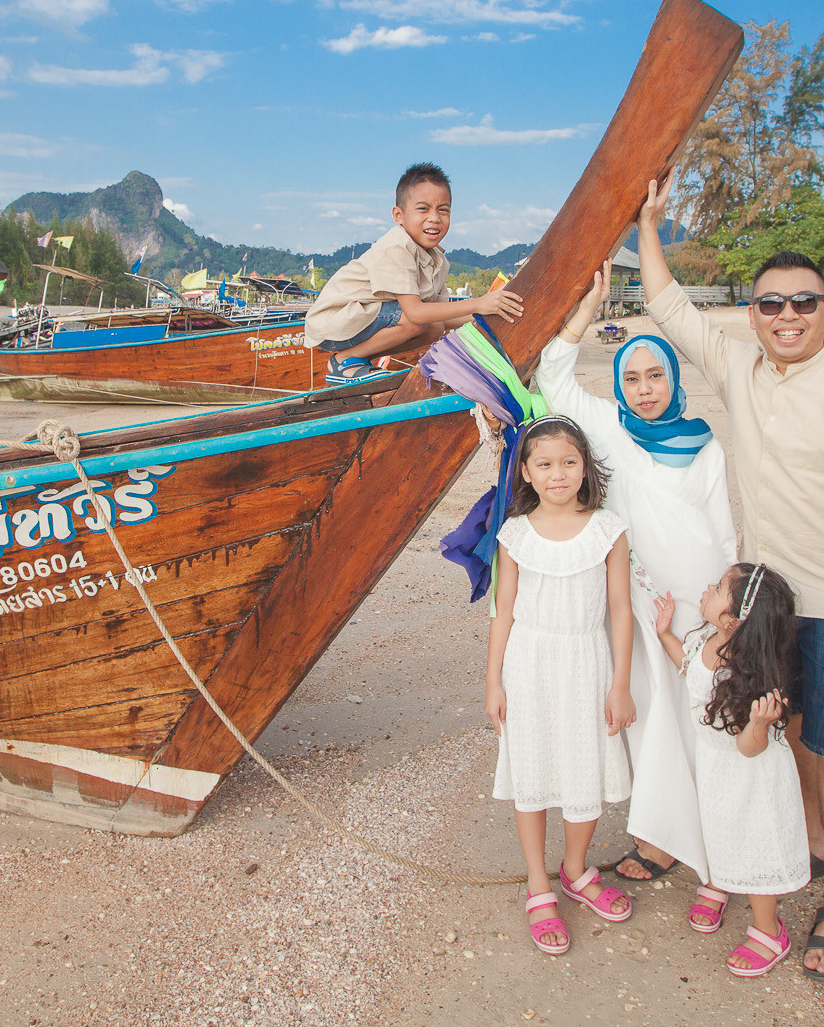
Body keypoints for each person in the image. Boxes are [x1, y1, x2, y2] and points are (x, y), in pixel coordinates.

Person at [637, 172, 824, 983]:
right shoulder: (742, 371)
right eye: (771, 303)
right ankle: (807, 839)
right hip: (763, 608)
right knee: (783, 728)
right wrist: (649, 225)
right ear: (753, 314)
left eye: (804, 301)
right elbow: (670, 308)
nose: (787, 314)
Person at [538, 261, 734, 886]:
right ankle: (658, 838)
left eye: (655, 376)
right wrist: (586, 310)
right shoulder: (608, 430)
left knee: (703, 715)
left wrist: (728, 610)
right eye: (631, 377)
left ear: (674, 378)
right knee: (650, 718)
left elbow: (723, 532)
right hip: (640, 603)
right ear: (618, 385)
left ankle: (719, 832)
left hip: (699, 605)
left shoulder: (704, 445)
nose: (644, 389)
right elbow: (553, 377)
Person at [485, 416, 638, 956]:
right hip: (528, 663)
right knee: (531, 767)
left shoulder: (607, 529)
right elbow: (504, 611)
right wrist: (493, 681)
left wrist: (621, 684)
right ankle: (538, 883)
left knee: (583, 765)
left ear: (584, 467)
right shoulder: (514, 534)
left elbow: (620, 611)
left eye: (569, 462)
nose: (558, 474)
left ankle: (575, 868)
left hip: (586, 661)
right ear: (526, 472)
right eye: (545, 464)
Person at [652, 562, 808, 977]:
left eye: (719, 587)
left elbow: (750, 748)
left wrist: (758, 723)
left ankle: (769, 929)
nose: (708, 586)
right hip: (717, 767)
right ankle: (720, 879)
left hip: (751, 776)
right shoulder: (709, 638)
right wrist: (665, 635)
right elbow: (691, 669)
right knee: (719, 830)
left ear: (734, 620)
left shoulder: (750, 674)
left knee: (754, 841)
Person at [303, 163, 523, 383]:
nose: (434, 218)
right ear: (398, 215)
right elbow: (416, 313)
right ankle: (344, 360)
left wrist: (490, 310)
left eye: (443, 210)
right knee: (415, 320)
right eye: (423, 209)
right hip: (333, 323)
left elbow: (443, 317)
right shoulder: (396, 246)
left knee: (435, 327)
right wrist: (477, 303)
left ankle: (356, 359)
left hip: (362, 322)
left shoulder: (438, 260)